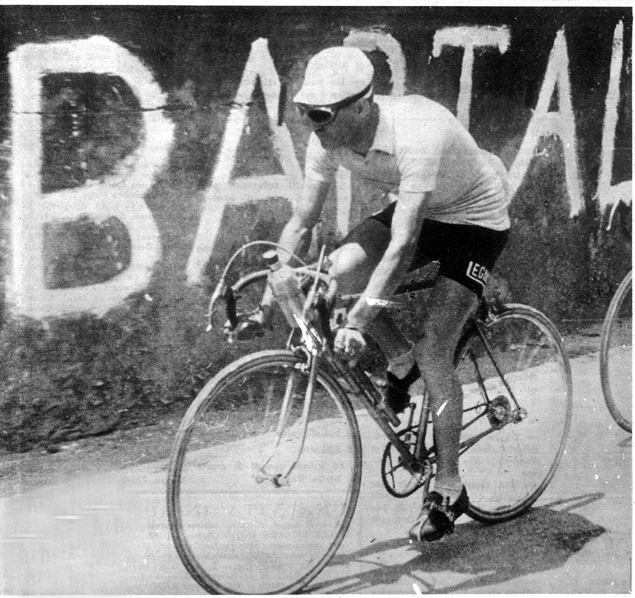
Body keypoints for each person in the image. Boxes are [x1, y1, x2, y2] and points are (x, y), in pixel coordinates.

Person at [246, 46, 510, 542]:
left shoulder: (418, 132)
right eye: (305, 112)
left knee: (437, 350)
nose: (311, 124)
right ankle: (398, 359)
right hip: (425, 209)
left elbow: (404, 244)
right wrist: (273, 287)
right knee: (330, 277)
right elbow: (303, 220)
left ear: (362, 106)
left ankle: (449, 488)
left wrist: (359, 323)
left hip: (475, 219)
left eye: (321, 114)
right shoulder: (326, 141)